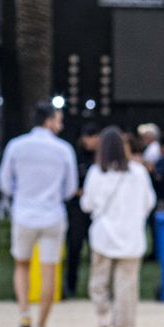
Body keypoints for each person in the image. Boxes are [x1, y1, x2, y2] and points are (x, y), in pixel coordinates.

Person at [0, 101, 77, 327]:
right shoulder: (63, 149)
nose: (60, 125)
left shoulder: (16, 146)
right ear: (49, 121)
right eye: (58, 120)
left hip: (24, 214)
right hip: (53, 215)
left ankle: (24, 315)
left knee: (21, 265)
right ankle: (41, 326)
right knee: (49, 269)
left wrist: (22, 196)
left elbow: (5, 183)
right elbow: (70, 188)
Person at [80, 126, 155, 327]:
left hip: (103, 236)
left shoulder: (96, 172)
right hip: (131, 236)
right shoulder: (138, 173)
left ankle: (103, 316)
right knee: (126, 286)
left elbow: (86, 204)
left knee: (99, 281)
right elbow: (149, 202)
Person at [64, 120, 101, 298]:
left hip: (96, 209)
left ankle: (98, 287)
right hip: (77, 209)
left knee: (97, 249)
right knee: (74, 247)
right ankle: (70, 286)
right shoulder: (74, 155)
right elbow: (69, 185)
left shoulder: (101, 156)